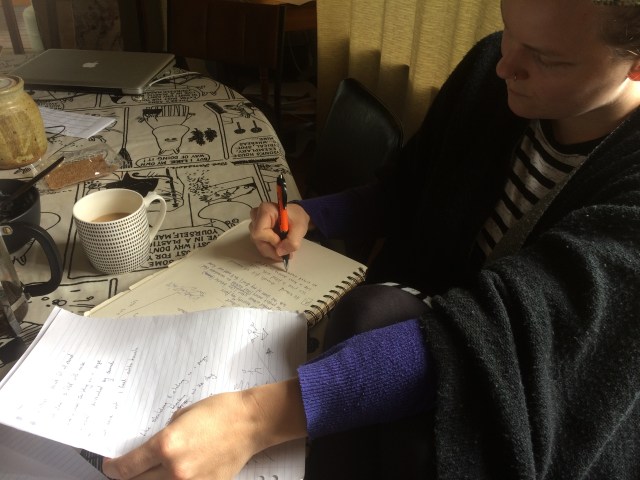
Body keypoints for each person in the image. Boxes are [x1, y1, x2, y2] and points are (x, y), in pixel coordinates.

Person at [102, 0, 640, 478]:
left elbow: (498, 335)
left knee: (371, 320)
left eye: (546, 58)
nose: (505, 66)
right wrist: (311, 215)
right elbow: (409, 189)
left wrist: (252, 420)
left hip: (510, 385)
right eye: (508, 31)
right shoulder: (489, 71)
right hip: (412, 329)